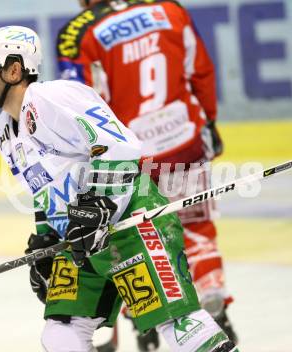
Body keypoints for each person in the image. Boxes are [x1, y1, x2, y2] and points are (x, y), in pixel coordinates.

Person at [0, 25, 238, 352]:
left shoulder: (52, 98)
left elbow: (120, 147)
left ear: (13, 70)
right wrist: (45, 238)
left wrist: (99, 204)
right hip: (81, 237)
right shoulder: (5, 132)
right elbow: (43, 191)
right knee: (60, 334)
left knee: (177, 324)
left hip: (130, 223)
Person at [56, 0, 237, 350]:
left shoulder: (79, 32)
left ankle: (146, 324)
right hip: (185, 140)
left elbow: (81, 106)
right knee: (198, 231)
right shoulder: (169, 9)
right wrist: (210, 121)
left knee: (133, 242)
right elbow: (200, 70)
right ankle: (214, 304)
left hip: (133, 159)